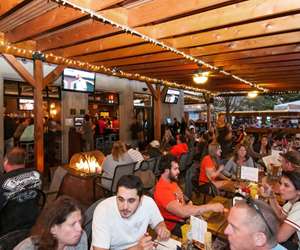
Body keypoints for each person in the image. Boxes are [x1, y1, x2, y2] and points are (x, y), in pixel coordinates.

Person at [154, 154, 225, 237]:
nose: (179, 171)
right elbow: (182, 212)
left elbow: (181, 195)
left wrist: (188, 201)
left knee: (211, 225)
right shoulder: (162, 190)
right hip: (176, 226)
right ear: (166, 171)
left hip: (185, 217)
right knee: (209, 234)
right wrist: (210, 206)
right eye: (175, 169)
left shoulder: (171, 181)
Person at [92, 175, 170, 250]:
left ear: (141, 199)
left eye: (131, 200)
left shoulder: (148, 202)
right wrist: (137, 248)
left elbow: (159, 223)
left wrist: (162, 228)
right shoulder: (103, 210)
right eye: (120, 199)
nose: (125, 207)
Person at [14, 195, 87, 250]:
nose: (80, 229)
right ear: (53, 229)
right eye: (72, 224)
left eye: (80, 221)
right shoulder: (28, 248)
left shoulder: (81, 238)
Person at [0, 147, 42, 235]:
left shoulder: (2, 181)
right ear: (24, 161)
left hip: (8, 227)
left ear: (6, 161)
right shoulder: (37, 174)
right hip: (33, 220)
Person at [261, 171, 300, 249]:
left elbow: (279, 237)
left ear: (298, 191)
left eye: (286, 185)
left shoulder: (299, 208)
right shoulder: (292, 201)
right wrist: (271, 196)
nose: (281, 188)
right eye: (281, 183)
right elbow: (280, 216)